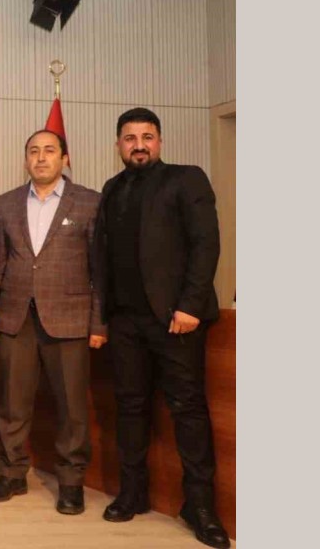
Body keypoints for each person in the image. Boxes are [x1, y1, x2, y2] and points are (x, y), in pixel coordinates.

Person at [95, 108, 227, 549]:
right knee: (131, 408)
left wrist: (189, 305)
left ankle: (200, 507)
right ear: (118, 145)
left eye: (147, 137)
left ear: (160, 142)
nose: (138, 144)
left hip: (176, 321)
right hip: (126, 321)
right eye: (129, 137)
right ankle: (133, 494)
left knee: (187, 411)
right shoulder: (111, 190)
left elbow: (206, 243)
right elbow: (101, 259)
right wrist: (105, 316)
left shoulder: (186, 179)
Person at [0, 130, 104, 514]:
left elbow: (101, 270)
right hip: (16, 317)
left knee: (72, 407)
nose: (40, 157)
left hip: (69, 318)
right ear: (25, 160)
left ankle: (71, 482)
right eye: (33, 151)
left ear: (64, 158)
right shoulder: (8, 203)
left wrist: (99, 324)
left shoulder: (89, 202)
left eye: (49, 151)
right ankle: (13, 473)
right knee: (13, 404)